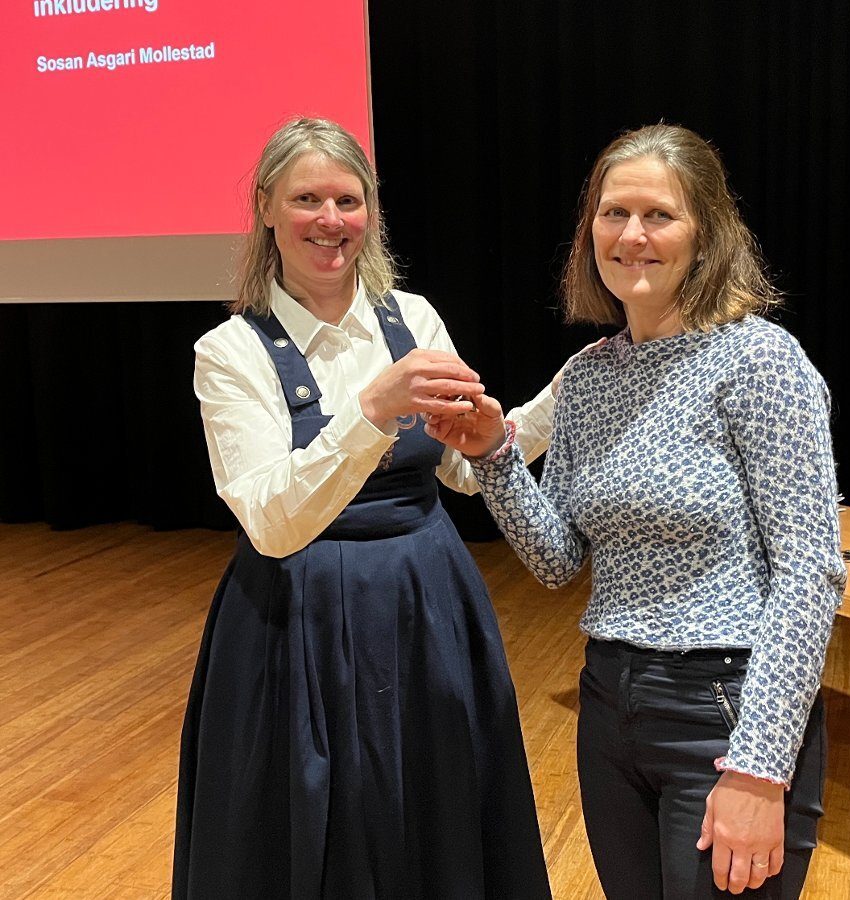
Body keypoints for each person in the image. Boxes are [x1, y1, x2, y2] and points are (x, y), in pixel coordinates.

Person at [426, 124, 846, 898]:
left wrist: (758, 767)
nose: (633, 235)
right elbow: (558, 560)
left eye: (659, 215)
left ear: (708, 233)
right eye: (614, 214)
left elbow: (810, 574)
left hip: (726, 709)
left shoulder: (758, 361)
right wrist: (492, 453)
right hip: (611, 703)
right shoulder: (589, 376)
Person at [173, 117, 554, 899]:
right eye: (306, 197)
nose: (329, 220)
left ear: (370, 212)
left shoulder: (413, 320)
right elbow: (273, 522)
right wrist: (370, 411)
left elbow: (457, 473)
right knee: (309, 818)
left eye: (348, 199)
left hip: (426, 601)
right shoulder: (230, 352)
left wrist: (506, 432)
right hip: (293, 615)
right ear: (266, 208)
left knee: (437, 804)